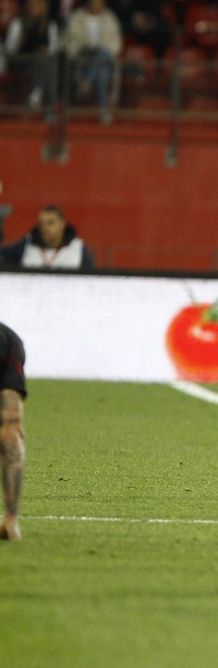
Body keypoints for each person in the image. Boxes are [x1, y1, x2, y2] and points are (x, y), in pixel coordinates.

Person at [2, 205, 94, 270]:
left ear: (62, 225)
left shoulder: (78, 249)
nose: (45, 227)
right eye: (41, 223)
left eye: (50, 223)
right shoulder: (25, 245)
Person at [0, 322, 24, 540]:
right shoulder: (9, 340)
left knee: (9, 432)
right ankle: (11, 520)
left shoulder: (8, 341)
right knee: (10, 433)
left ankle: (10, 520)